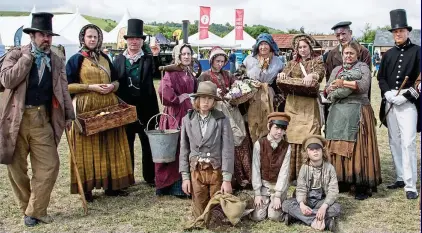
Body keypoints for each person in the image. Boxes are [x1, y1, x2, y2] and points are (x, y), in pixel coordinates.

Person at [0, 12, 75, 227]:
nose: (47, 39)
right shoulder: (15, 55)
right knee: (16, 168)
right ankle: (27, 208)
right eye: (42, 35)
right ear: (32, 35)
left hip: (42, 119)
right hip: (16, 119)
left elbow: (62, 90)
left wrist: (69, 115)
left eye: (49, 36)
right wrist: (27, 59)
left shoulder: (57, 60)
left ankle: (36, 209)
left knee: (50, 166)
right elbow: (7, 80)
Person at [66, 24, 134, 202]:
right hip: (86, 107)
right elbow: (67, 85)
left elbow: (117, 80)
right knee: (87, 147)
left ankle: (112, 186)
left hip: (108, 107)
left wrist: (113, 86)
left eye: (95, 37)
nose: (92, 40)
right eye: (89, 36)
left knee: (111, 144)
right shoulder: (75, 60)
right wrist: (90, 87)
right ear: (83, 38)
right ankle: (87, 189)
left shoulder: (105, 58)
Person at [324, 41, 381, 200]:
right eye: (345, 53)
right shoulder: (336, 69)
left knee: (357, 148)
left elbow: (363, 86)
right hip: (338, 112)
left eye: (351, 53)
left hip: (358, 111)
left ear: (357, 55)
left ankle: (360, 183)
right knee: (337, 145)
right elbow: (328, 88)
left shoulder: (362, 67)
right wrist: (332, 88)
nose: (348, 56)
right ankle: (342, 179)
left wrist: (342, 83)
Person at [377, 9, 420, 200]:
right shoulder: (388, 54)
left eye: (401, 30)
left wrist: (408, 96)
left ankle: (411, 185)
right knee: (394, 140)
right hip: (390, 101)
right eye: (395, 31)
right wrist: (387, 93)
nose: (398, 34)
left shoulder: (418, 51)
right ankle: (401, 177)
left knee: (408, 142)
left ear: (407, 31)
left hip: (408, 101)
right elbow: (382, 77)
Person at [113, 19, 160, 186]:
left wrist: (155, 56)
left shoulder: (148, 59)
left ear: (142, 41)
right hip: (125, 109)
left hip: (146, 109)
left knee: (148, 144)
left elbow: (156, 74)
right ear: (126, 40)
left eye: (138, 39)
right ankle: (128, 177)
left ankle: (150, 177)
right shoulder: (118, 60)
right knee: (127, 144)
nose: (134, 41)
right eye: (131, 38)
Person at [198, 47, 252, 189]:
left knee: (241, 136)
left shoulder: (228, 74)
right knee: (230, 138)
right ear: (211, 61)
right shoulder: (204, 76)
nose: (220, 64)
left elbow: (236, 86)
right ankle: (232, 179)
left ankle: (245, 176)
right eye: (217, 61)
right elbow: (201, 94)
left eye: (222, 61)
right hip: (216, 112)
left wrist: (237, 88)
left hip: (231, 107)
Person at [179, 81, 235, 218]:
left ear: (214, 101)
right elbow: (184, 149)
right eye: (203, 98)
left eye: (210, 98)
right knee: (199, 214)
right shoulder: (187, 119)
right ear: (197, 99)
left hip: (215, 169)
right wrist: (185, 177)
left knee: (216, 212)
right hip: (196, 170)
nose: (206, 102)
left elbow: (228, 150)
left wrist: (227, 179)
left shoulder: (222, 119)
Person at [276, 34, 325, 184]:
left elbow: (320, 73)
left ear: (310, 47)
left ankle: (309, 174)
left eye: (305, 47)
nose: (302, 50)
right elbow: (284, 74)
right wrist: (283, 74)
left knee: (308, 135)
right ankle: (292, 174)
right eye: (300, 47)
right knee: (291, 136)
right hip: (293, 104)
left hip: (309, 105)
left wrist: (313, 75)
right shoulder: (291, 63)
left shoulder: (317, 61)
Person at [156, 43, 197, 197]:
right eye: (183, 54)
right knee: (175, 148)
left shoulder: (188, 72)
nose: (186, 57)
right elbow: (163, 90)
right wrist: (177, 98)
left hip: (188, 113)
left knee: (186, 147)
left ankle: (184, 182)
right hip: (175, 115)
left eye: (188, 54)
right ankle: (171, 185)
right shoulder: (171, 72)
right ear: (177, 56)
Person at [282, 135, 340, 232]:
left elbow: (333, 190)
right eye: (312, 149)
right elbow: (300, 188)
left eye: (317, 149)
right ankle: (322, 221)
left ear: (322, 151)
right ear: (307, 152)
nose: (315, 151)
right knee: (286, 204)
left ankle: (297, 217)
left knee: (336, 208)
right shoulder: (304, 168)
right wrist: (301, 205)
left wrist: (324, 207)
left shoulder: (330, 168)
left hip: (321, 200)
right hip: (306, 200)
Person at [250, 112, 291, 222]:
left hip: (278, 186)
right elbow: (255, 169)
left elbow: (284, 172)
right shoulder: (259, 144)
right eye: (276, 128)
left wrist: (278, 195)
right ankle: (265, 202)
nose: (279, 132)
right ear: (269, 126)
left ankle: (280, 203)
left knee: (274, 217)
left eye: (282, 129)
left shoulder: (287, 147)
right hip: (264, 186)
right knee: (257, 217)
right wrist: (257, 193)